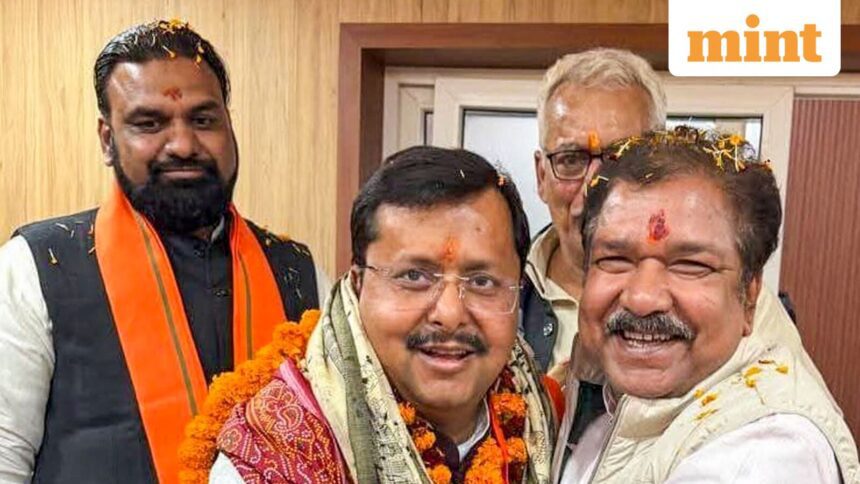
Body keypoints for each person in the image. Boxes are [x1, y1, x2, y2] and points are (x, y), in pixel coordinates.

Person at [0, 20, 326, 483]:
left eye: (203, 119)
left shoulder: (302, 272)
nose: (183, 145)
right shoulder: (34, 266)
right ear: (107, 140)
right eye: (149, 123)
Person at [190, 147, 556, 483]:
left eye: (482, 281)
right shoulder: (273, 454)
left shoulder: (549, 428)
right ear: (357, 285)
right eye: (414, 276)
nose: (450, 313)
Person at [553, 127, 860, 483]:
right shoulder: (612, 412)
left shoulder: (763, 454)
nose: (642, 298)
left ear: (748, 296)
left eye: (691, 266)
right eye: (615, 259)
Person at [521, 48, 666, 376]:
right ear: (542, 176)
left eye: (623, 158)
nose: (595, 188)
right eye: (571, 159)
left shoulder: (713, 298)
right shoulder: (492, 293)